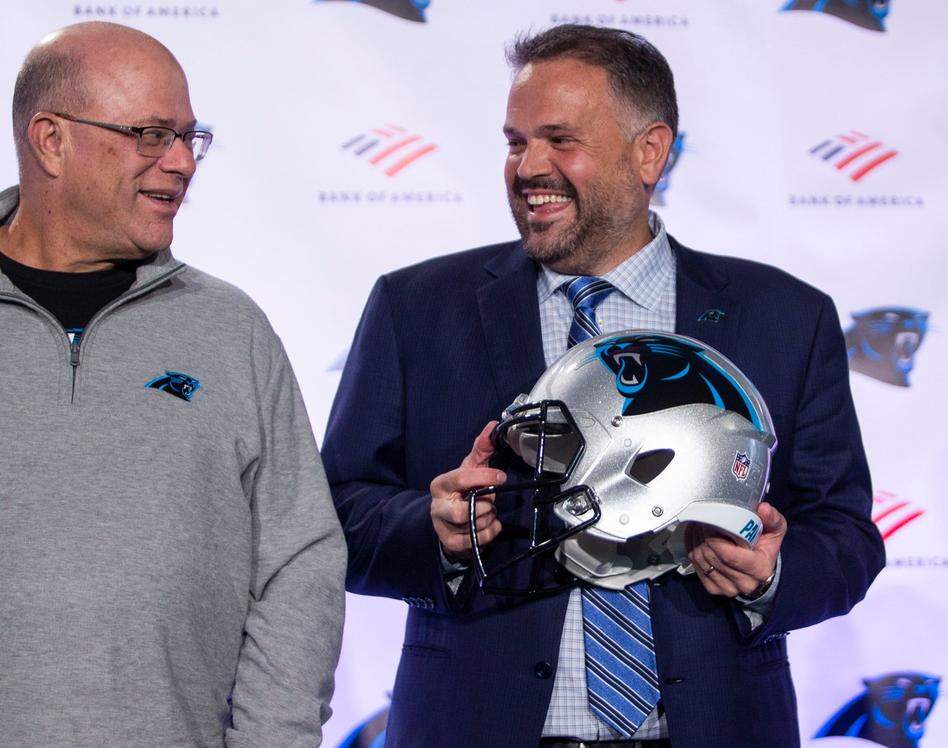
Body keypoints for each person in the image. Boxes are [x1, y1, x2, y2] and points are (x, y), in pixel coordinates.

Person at [323, 24, 883, 748]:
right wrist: (433, 532)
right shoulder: (418, 309)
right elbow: (338, 514)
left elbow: (845, 533)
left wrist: (773, 573)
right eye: (516, 142)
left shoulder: (783, 317)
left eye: (561, 140)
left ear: (649, 152)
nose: (529, 167)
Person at [0, 22, 345, 746]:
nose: (182, 162)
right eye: (151, 135)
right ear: (51, 141)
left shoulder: (232, 330)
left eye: (191, 137)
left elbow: (300, 564)